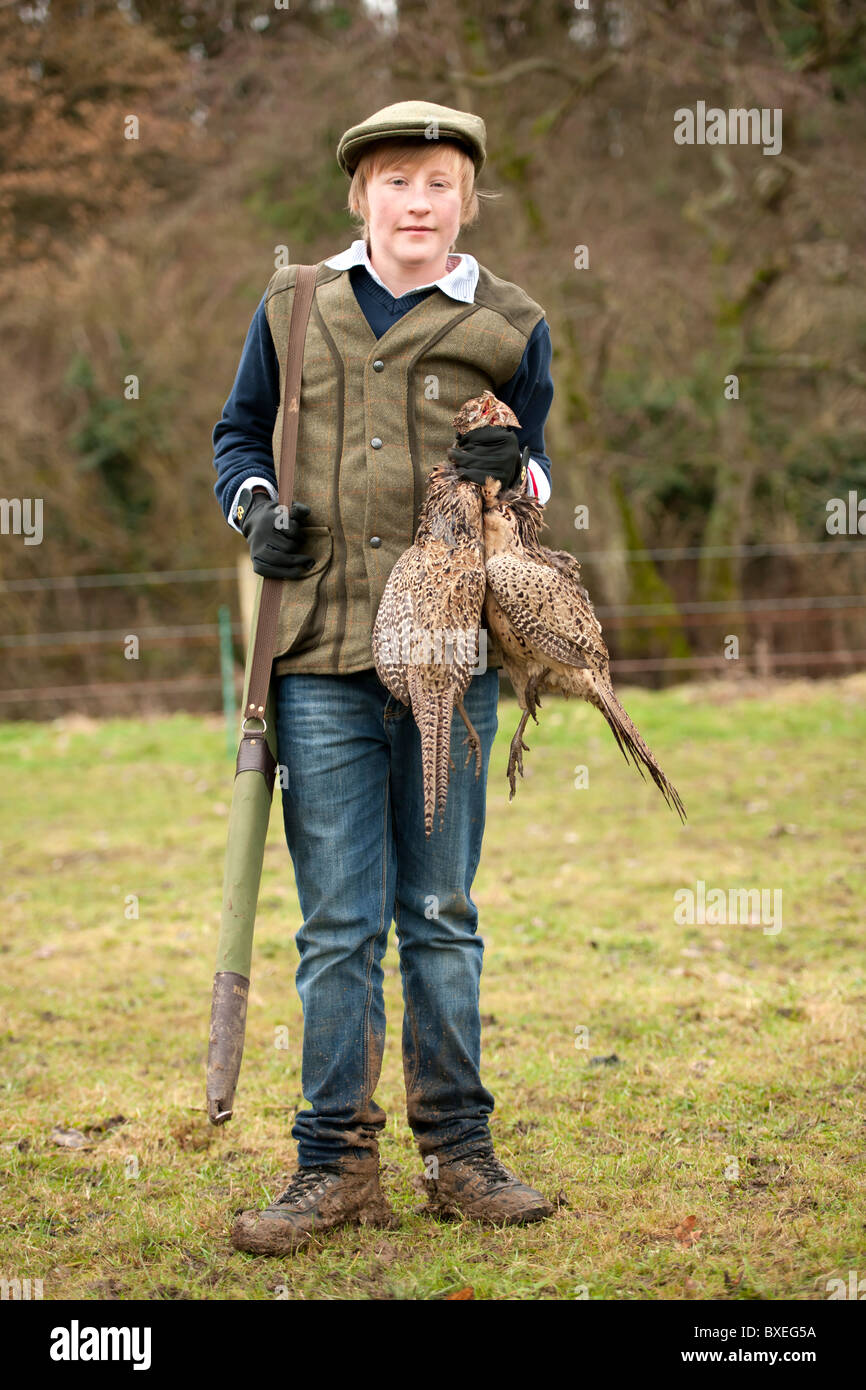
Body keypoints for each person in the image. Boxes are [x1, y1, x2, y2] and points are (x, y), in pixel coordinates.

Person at [212, 101, 556, 1256]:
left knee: (442, 914)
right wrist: (254, 512)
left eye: (441, 183)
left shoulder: (509, 321)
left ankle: (460, 1154)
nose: (419, 201)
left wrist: (521, 469)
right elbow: (236, 436)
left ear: (467, 199)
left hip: (450, 657)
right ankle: (333, 1166)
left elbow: (537, 460)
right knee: (336, 925)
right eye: (397, 181)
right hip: (314, 660)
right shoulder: (291, 303)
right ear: (359, 194)